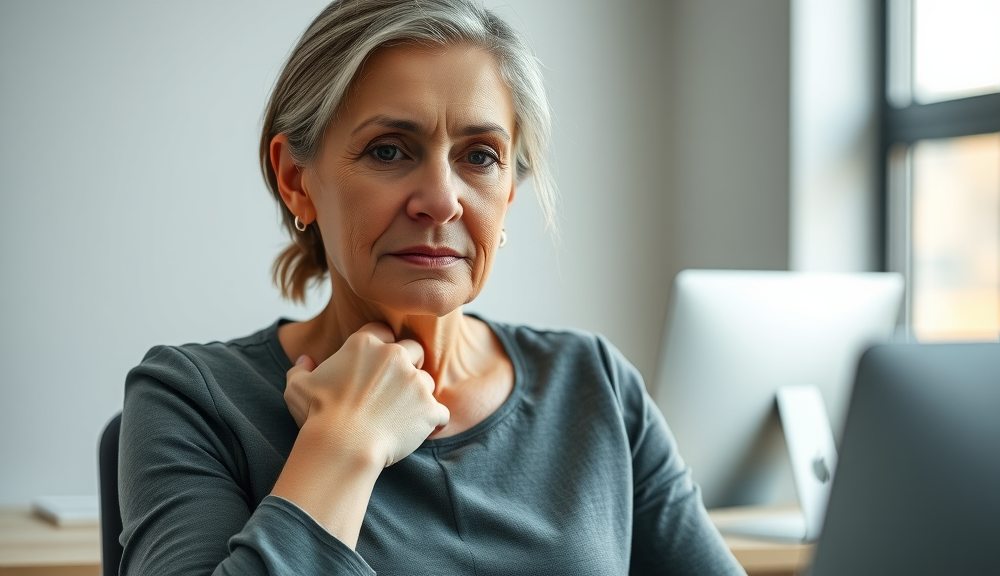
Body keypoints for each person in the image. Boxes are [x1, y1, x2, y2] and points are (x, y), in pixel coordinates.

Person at [118, 0, 747, 574]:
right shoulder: (191, 401)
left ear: (507, 195)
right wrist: (343, 446)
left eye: (480, 156)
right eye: (390, 150)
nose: (442, 201)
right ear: (296, 180)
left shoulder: (594, 386)